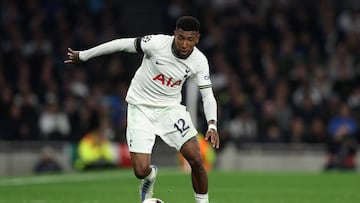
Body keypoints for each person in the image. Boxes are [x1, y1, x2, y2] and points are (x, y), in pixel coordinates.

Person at [65, 16, 219, 203]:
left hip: (170, 110)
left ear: (197, 39)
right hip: (140, 108)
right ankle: (149, 177)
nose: (184, 44)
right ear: (174, 34)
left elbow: (208, 95)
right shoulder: (155, 44)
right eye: (180, 38)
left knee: (196, 158)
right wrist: (84, 55)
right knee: (140, 170)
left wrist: (212, 124)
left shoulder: (199, 61)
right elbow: (122, 44)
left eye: (190, 39)